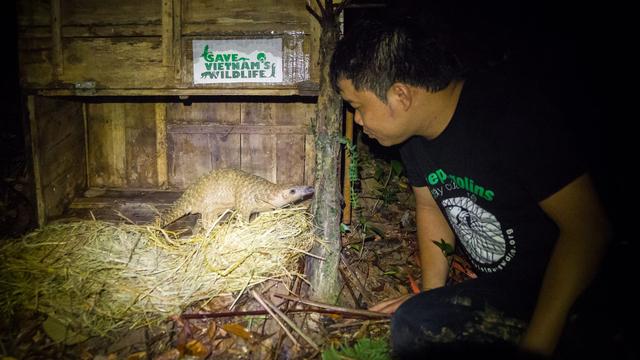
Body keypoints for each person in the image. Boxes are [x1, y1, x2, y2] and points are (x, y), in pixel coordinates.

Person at [330, 15, 611, 359]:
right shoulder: (415, 139)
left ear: (400, 94)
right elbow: (431, 205)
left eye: (357, 107)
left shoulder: (509, 117)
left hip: (573, 290)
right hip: (507, 292)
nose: (357, 122)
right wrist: (432, 293)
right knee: (416, 321)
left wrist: (536, 347)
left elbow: (588, 230)